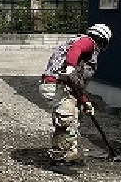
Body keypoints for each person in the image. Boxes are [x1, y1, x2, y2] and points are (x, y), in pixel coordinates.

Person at [39, 23, 112, 164]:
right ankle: (60, 156)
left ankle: (70, 153)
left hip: (63, 86)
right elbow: (76, 49)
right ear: (101, 40)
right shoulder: (87, 42)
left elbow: (75, 84)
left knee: (74, 118)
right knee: (66, 119)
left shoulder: (80, 46)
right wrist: (70, 67)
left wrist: (85, 102)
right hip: (55, 84)